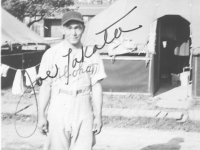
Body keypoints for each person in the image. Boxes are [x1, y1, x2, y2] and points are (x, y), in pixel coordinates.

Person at [37, 11, 107, 150]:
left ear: (83, 29)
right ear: (62, 29)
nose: (73, 33)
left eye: (77, 28)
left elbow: (96, 87)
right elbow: (45, 87)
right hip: (59, 103)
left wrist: (98, 116)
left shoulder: (92, 54)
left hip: (83, 103)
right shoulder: (51, 54)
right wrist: (41, 116)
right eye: (69, 28)